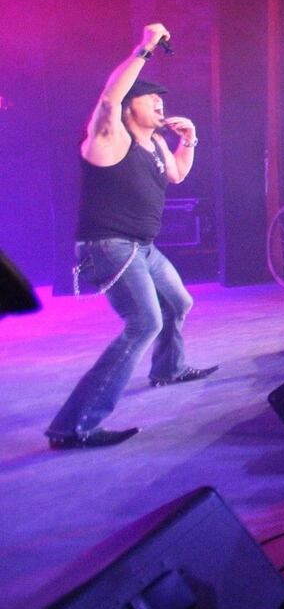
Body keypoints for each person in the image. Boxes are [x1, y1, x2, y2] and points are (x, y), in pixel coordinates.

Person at [47, 23, 214, 449]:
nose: (160, 102)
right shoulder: (108, 137)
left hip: (143, 247)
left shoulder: (157, 144)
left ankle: (167, 369)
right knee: (144, 322)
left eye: (161, 97)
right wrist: (145, 47)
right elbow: (109, 97)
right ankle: (72, 426)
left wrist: (190, 140)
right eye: (149, 96)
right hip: (110, 245)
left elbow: (177, 174)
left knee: (179, 302)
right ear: (127, 107)